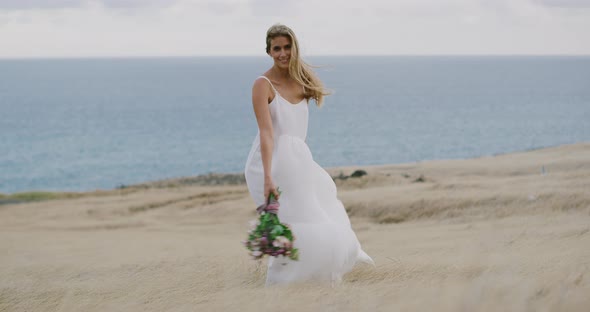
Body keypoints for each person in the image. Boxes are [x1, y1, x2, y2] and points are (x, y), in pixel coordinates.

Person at [244, 23, 374, 286]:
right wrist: (269, 177)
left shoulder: (302, 83)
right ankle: (279, 286)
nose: (282, 53)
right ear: (268, 52)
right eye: (276, 48)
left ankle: (322, 275)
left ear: (295, 48)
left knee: (324, 204)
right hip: (270, 161)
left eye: (287, 47)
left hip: (298, 158)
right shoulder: (262, 84)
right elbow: (267, 134)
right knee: (296, 221)